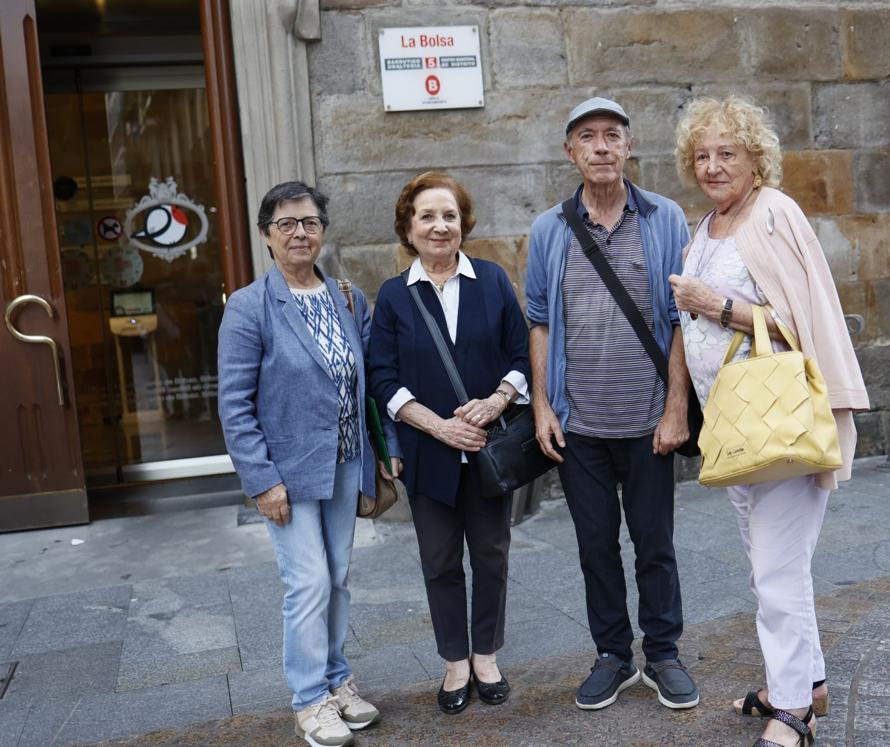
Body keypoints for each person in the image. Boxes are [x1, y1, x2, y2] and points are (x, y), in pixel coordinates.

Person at [669, 96, 869, 747]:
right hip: (737, 427)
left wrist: (718, 305)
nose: (713, 165)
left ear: (756, 156)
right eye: (702, 155)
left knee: (779, 571)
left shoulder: (774, 214)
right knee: (772, 567)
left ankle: (792, 712)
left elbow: (802, 322)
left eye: (727, 152)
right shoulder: (708, 225)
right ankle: (807, 682)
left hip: (780, 423)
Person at [525, 97, 700, 712]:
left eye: (612, 136)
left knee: (655, 541)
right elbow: (540, 323)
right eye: (588, 137)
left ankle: (664, 654)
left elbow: (683, 318)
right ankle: (612, 654)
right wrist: (543, 407)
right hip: (580, 426)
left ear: (629, 147)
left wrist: (676, 406)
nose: (601, 147)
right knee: (594, 544)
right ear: (569, 151)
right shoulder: (550, 228)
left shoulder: (665, 219)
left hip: (649, 419)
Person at [218, 181, 401, 747]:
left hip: (345, 462)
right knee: (309, 582)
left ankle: (336, 680)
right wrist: (261, 480)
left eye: (310, 222)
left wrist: (381, 453)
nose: (300, 233)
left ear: (323, 230)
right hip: (288, 473)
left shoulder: (347, 297)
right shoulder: (250, 307)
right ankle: (308, 700)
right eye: (286, 224)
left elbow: (369, 383)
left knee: (339, 578)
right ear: (267, 236)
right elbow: (234, 404)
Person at [368, 171, 530, 715]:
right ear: (408, 228)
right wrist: (439, 426)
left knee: (490, 554)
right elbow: (382, 378)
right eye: (428, 216)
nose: (440, 226)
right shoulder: (394, 295)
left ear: (464, 224)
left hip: (489, 449)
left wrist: (494, 404)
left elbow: (520, 355)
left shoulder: (492, 280)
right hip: (428, 452)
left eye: (450, 216)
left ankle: (485, 655)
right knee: (439, 560)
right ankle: (454, 661)